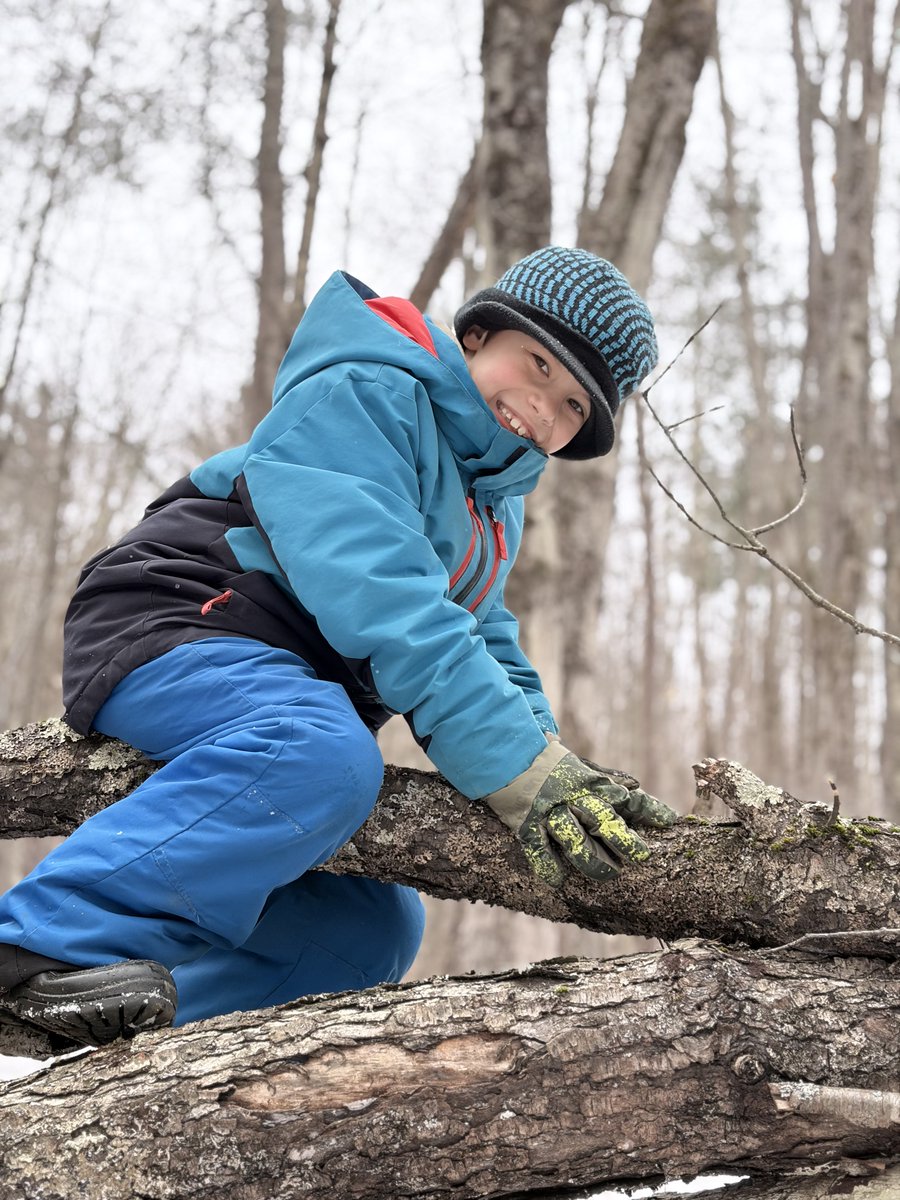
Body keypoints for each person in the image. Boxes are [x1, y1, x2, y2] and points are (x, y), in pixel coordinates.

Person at [0, 246, 676, 1050]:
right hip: (182, 617)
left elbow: (480, 633)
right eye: (538, 366)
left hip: (280, 681)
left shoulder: (493, 504)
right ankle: (34, 951)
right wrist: (519, 773)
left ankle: (133, 1042)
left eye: (571, 407)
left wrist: (552, 766)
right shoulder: (369, 392)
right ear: (479, 334)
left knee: (368, 927)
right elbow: (385, 597)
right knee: (320, 757)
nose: (543, 409)